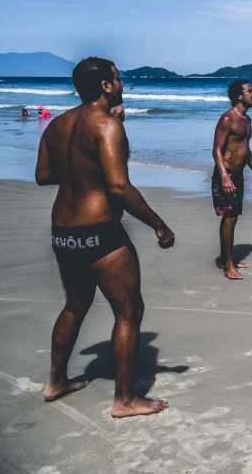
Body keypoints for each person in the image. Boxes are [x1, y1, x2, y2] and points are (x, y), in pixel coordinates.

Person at [34, 57, 175, 418]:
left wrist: (82, 168)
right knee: (129, 311)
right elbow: (118, 186)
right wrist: (158, 224)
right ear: (106, 86)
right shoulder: (107, 125)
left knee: (75, 304)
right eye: (118, 78)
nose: (122, 82)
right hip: (100, 232)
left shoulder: (58, 125)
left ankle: (56, 382)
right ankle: (125, 400)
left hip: (63, 232)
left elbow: (44, 175)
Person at [211, 79, 252, 280]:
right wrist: (224, 176)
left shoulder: (247, 120)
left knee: (233, 218)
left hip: (239, 175)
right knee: (229, 218)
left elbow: (245, 149)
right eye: (250, 91)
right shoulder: (228, 119)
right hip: (226, 175)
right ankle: (227, 265)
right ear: (239, 96)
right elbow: (216, 150)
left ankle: (230, 259)